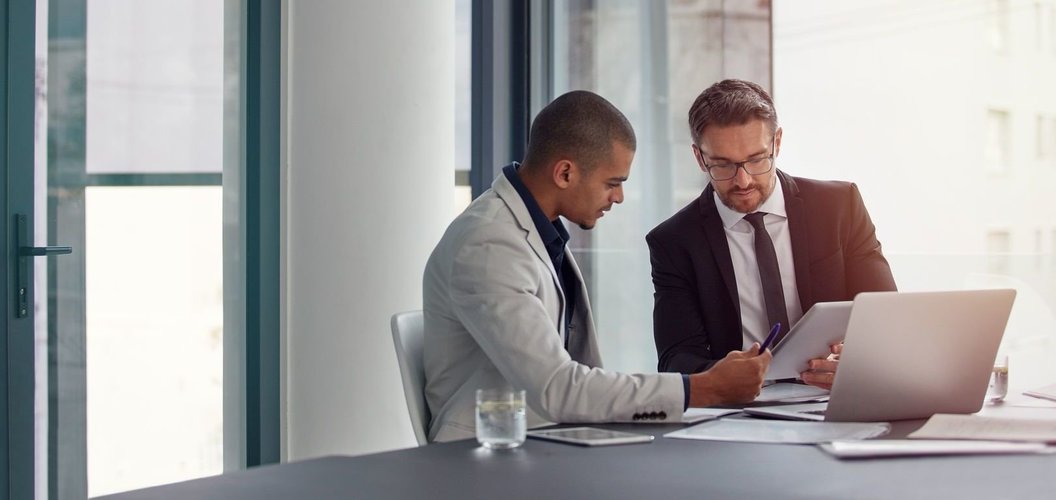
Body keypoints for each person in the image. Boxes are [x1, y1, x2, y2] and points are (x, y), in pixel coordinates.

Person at [423, 90, 771, 442]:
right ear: (565, 173)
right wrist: (702, 389)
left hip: (547, 441)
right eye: (612, 183)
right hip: (488, 457)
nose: (618, 197)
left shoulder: (536, 232)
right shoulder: (489, 245)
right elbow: (557, 389)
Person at [647, 79, 896, 390]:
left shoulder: (839, 206)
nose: (743, 180)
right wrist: (721, 375)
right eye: (723, 165)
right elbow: (675, 358)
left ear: (777, 143)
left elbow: (888, 319)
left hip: (836, 396)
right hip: (741, 409)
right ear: (700, 158)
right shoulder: (674, 242)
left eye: (756, 159)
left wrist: (858, 361)